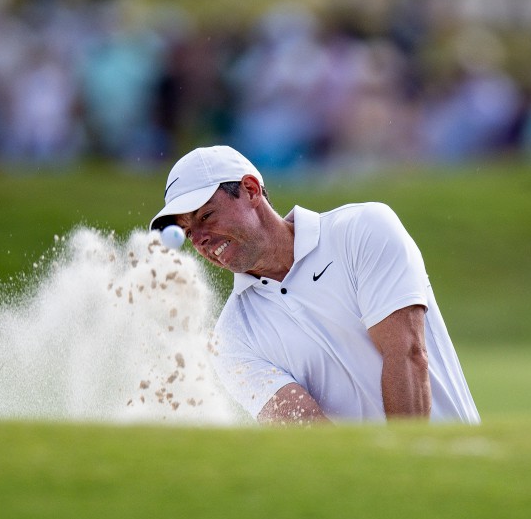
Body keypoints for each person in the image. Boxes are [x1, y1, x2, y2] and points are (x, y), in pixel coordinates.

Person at [149, 145, 480, 426]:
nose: (201, 239)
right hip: (371, 492)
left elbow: (406, 353)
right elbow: (306, 428)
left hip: (457, 470)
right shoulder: (231, 338)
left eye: (206, 216)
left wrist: (408, 469)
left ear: (250, 190)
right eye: (189, 233)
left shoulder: (362, 229)